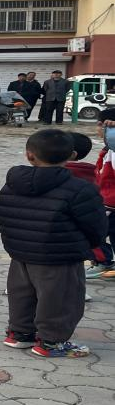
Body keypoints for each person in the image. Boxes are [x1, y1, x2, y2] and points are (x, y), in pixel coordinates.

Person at [0, 129, 108, 358]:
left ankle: (20, 333)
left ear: (29, 155)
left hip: (21, 252)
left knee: (21, 294)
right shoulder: (80, 188)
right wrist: (89, 245)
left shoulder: (12, 183)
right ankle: (51, 342)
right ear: (72, 155)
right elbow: (95, 225)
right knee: (61, 299)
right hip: (61, 254)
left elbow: (4, 216)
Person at [87, 109, 115, 279]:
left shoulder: (113, 152)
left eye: (100, 125)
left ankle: (103, 262)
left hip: (109, 204)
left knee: (93, 232)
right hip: (106, 201)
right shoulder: (108, 150)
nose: (97, 129)